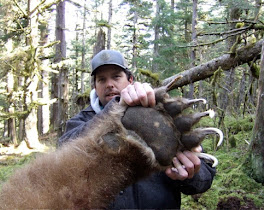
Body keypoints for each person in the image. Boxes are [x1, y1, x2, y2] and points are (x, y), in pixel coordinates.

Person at [58, 50, 216, 209]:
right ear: (95, 86)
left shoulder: (160, 115)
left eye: (116, 76)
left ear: (130, 80)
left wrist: (190, 175)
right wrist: (116, 109)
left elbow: (205, 179)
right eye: (101, 79)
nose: (109, 84)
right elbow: (62, 157)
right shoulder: (80, 123)